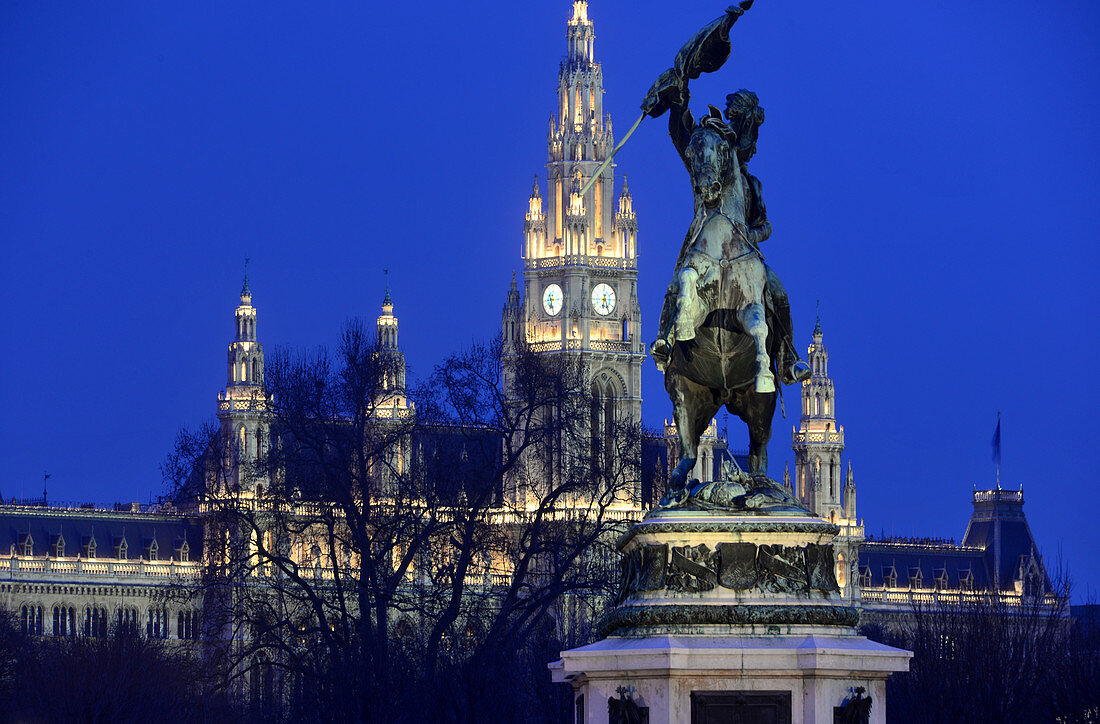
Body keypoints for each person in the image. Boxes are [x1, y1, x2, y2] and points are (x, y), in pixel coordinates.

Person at [651, 88, 809, 385]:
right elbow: (680, 135)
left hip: (744, 254)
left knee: (778, 291)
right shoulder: (708, 169)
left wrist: (753, 232)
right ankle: (665, 340)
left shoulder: (751, 184)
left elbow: (766, 224)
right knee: (678, 282)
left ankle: (788, 358)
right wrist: (677, 100)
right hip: (705, 246)